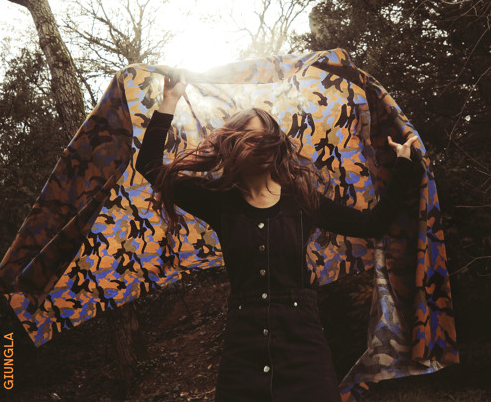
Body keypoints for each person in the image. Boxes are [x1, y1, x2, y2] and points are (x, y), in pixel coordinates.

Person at [135, 72, 419, 402]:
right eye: (251, 139)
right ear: (233, 147)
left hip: (304, 346)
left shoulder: (303, 200)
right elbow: (150, 165)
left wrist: (403, 165)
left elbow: (373, 224)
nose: (262, 147)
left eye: (268, 139)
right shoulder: (219, 201)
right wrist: (170, 98)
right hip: (243, 350)